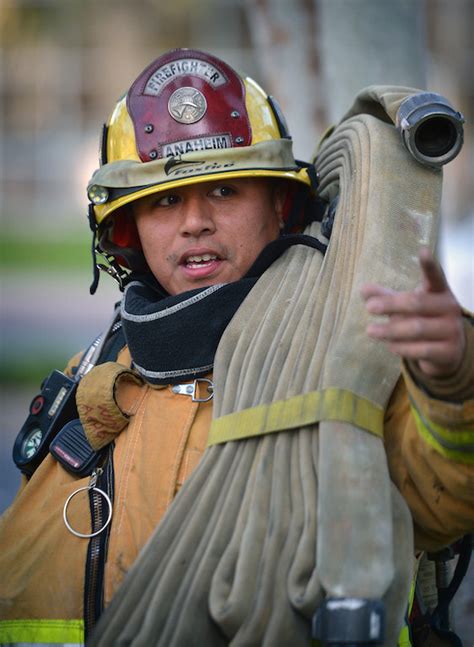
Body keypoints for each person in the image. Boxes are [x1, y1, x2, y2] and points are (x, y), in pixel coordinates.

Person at [0, 48, 473, 647]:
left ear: (281, 206)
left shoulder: (356, 359)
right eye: (165, 200)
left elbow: (448, 499)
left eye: (224, 190)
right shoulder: (88, 384)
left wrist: (455, 383)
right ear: (127, 230)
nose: (194, 221)